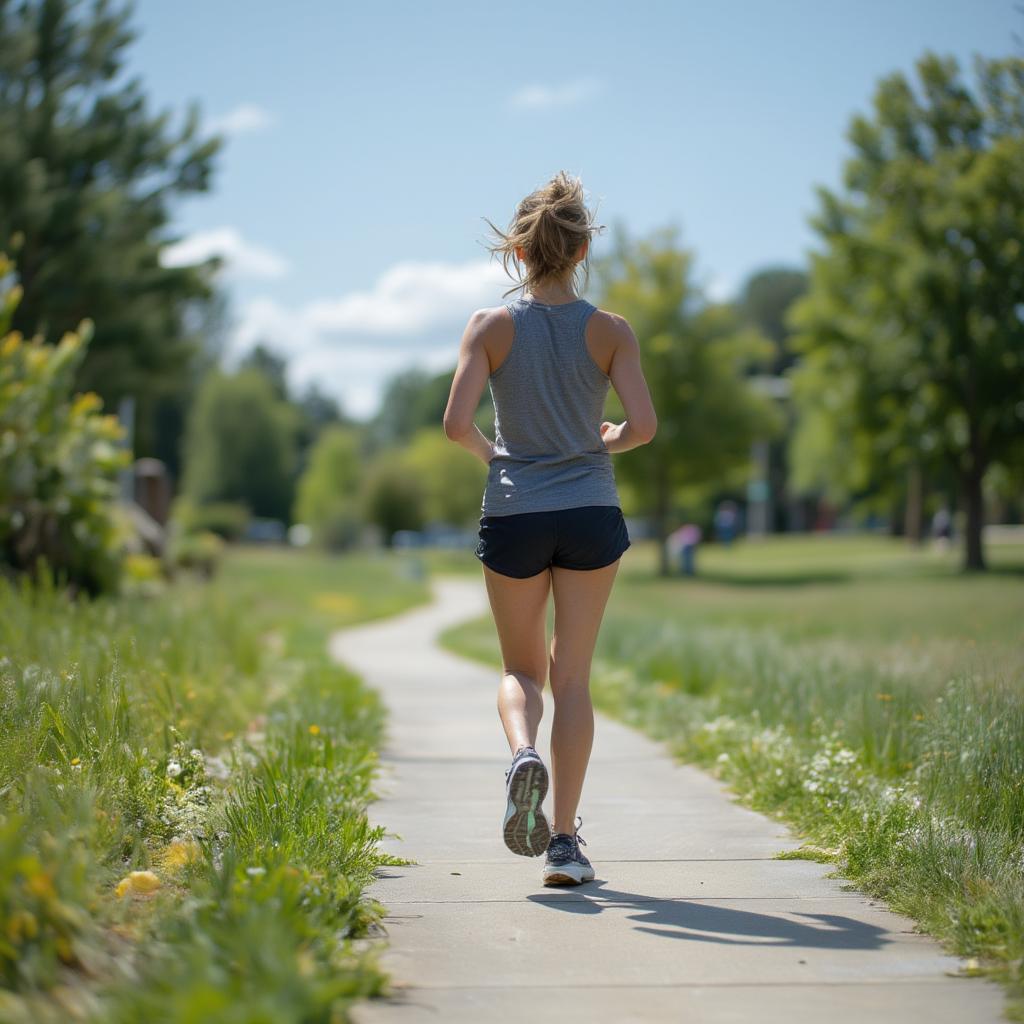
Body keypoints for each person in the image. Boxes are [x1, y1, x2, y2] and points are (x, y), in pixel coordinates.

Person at [442, 171, 658, 885]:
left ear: (519, 251)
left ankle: (522, 755)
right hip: (591, 511)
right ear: (584, 246)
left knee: (519, 670)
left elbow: (455, 424)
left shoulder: (491, 327)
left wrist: (493, 455)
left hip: (513, 512)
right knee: (573, 676)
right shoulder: (611, 331)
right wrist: (608, 438)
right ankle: (563, 843)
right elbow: (644, 428)